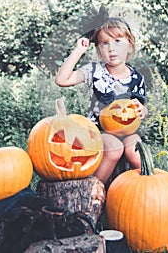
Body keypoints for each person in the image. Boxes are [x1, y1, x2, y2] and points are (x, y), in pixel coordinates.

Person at [55, 17, 147, 184]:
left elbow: (139, 107)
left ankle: (141, 187)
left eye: (117, 41)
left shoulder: (137, 78)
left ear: (130, 44)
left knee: (136, 150)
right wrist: (78, 51)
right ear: (98, 48)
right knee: (114, 149)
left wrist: (143, 111)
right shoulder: (94, 70)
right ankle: (95, 189)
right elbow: (62, 80)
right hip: (98, 130)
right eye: (104, 43)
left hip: (128, 131)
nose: (111, 48)